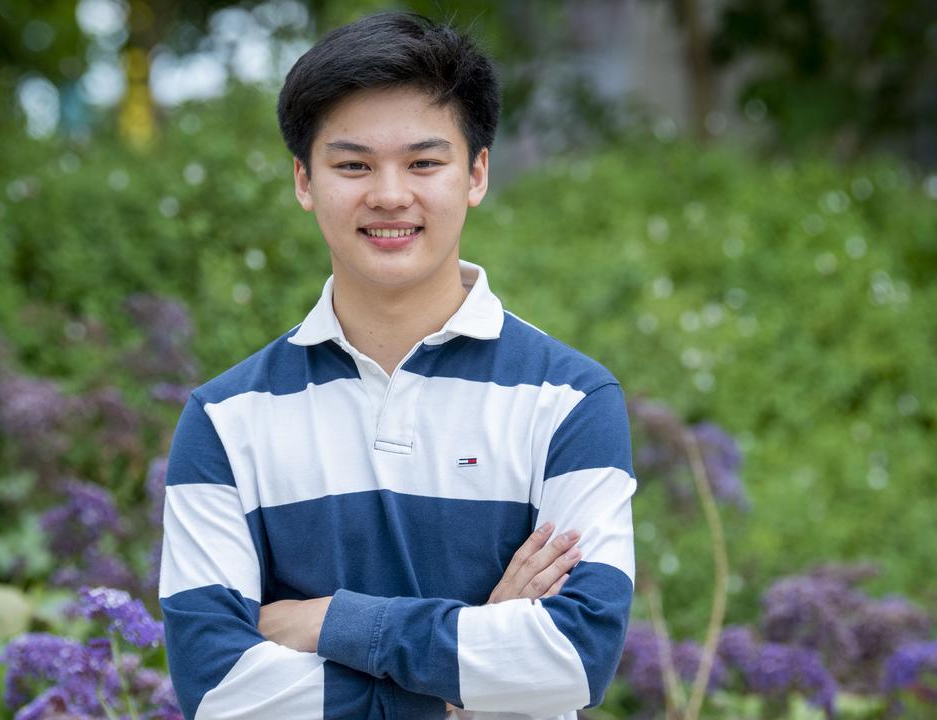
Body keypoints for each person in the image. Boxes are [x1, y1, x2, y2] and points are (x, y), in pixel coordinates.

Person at [158, 11, 637, 719]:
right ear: (303, 180)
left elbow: (573, 658)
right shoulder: (226, 420)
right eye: (353, 164)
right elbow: (218, 689)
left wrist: (329, 623)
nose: (389, 194)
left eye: (423, 162)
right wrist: (459, 692)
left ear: (476, 173)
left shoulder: (570, 399)